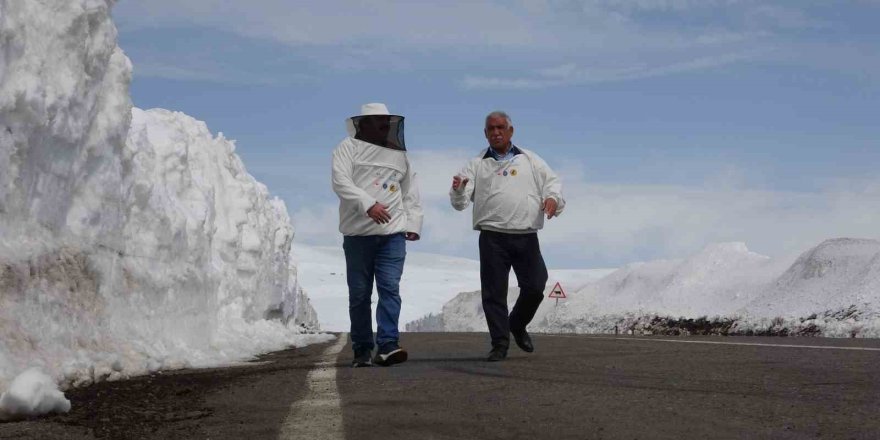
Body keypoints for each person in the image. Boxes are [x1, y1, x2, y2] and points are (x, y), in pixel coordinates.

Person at [449, 111, 565, 362]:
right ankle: (499, 344)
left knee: (535, 286)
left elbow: (552, 184)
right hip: (492, 237)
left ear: (511, 131)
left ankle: (517, 323)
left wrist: (553, 199)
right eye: (491, 129)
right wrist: (457, 190)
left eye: (501, 127)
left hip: (525, 235)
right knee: (493, 293)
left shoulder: (530, 159)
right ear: (485, 133)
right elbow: (459, 203)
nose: (496, 132)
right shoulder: (477, 164)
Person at [332, 103, 423, 367]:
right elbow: (340, 182)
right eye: (377, 121)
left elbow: (410, 191)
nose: (383, 126)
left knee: (389, 289)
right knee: (360, 294)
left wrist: (413, 224)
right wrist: (368, 204)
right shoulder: (347, 148)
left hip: (392, 235)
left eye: (386, 122)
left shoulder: (399, 154)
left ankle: (388, 345)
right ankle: (361, 348)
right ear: (364, 123)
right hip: (357, 236)